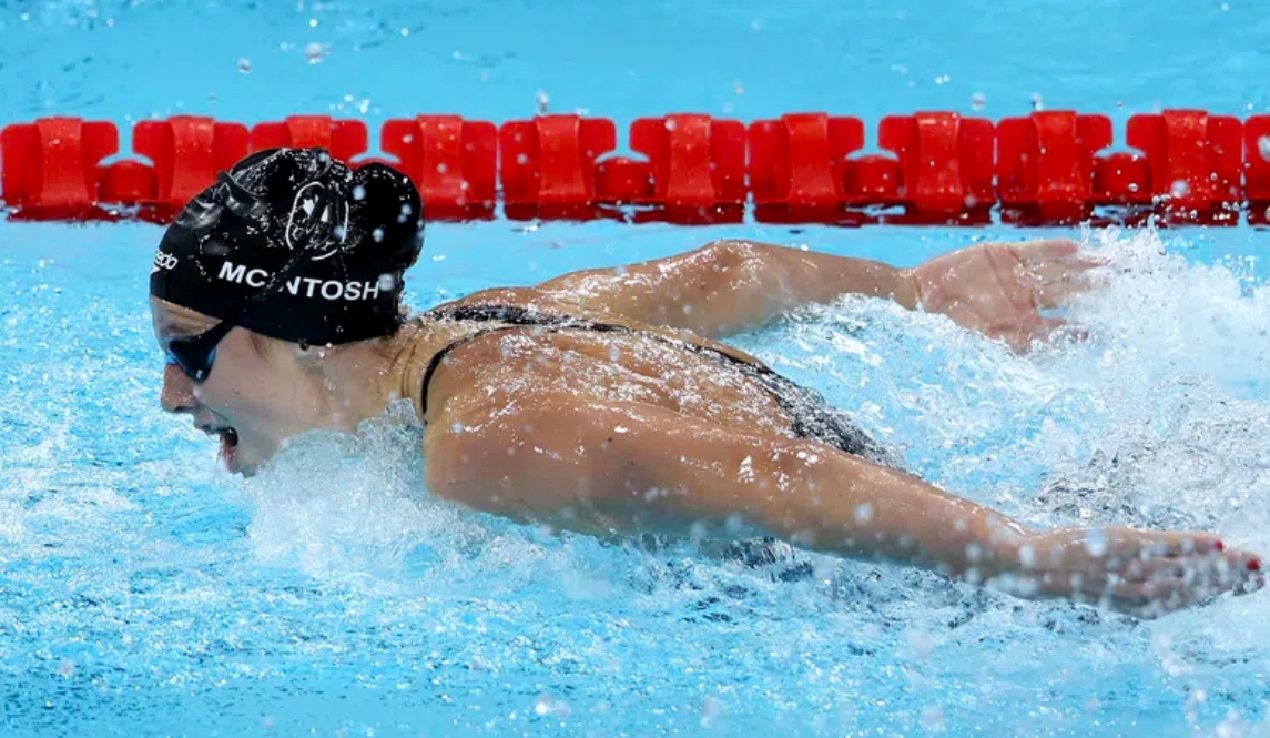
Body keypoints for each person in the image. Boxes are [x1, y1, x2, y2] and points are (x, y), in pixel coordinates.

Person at [150, 147, 1262, 618]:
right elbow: (735, 268)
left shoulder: (484, 439)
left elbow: (769, 477)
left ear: (297, 336)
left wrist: (1036, 561)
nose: (172, 398)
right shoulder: (489, 324)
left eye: (190, 353)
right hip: (1034, 519)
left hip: (967, 597)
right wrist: (915, 293)